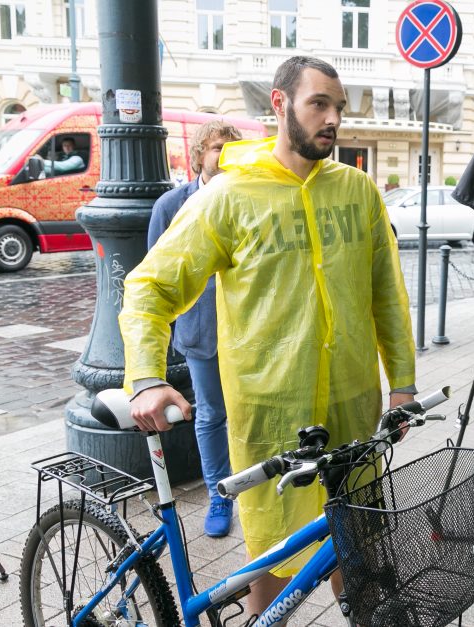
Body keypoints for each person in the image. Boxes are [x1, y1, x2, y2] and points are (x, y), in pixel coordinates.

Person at [118, 56, 416, 614]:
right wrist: (147, 378)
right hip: (272, 415)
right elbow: (150, 286)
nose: (332, 119)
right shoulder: (230, 196)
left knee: (363, 549)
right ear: (279, 105)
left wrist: (402, 385)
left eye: (339, 108)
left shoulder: (359, 191)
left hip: (353, 407)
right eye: (319, 104)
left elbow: (387, 297)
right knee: (275, 558)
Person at [146, 119, 243, 538]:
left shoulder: (248, 197)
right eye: (219, 147)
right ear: (199, 153)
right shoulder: (171, 205)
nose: (226, 156)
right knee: (211, 414)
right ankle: (219, 493)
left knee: (251, 412)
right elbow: (155, 272)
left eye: (233, 148)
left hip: (248, 330)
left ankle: (256, 489)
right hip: (201, 331)